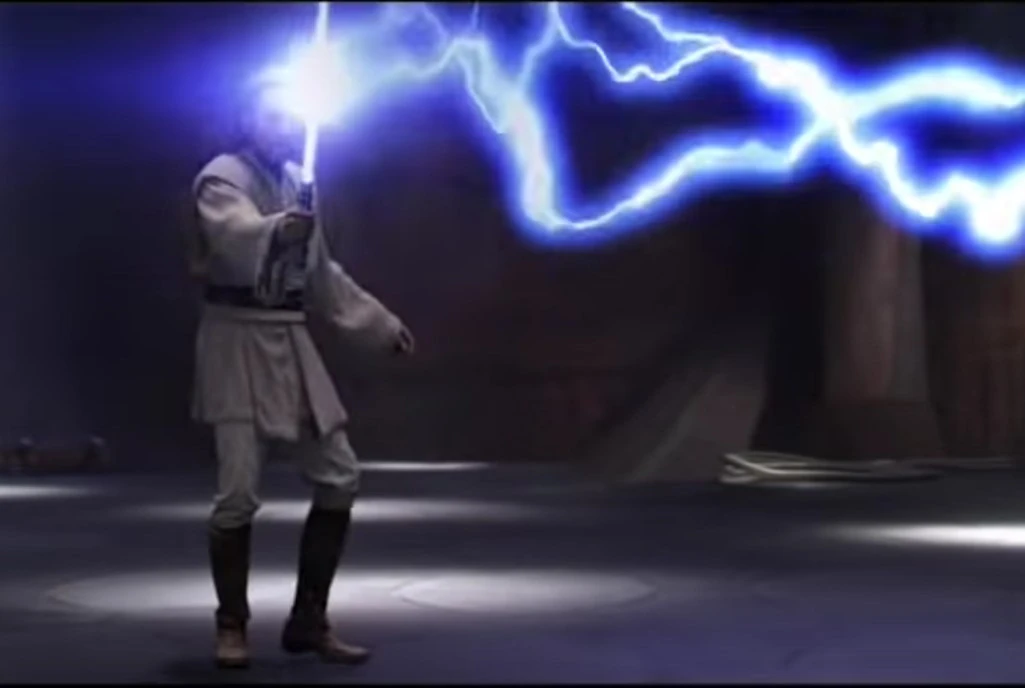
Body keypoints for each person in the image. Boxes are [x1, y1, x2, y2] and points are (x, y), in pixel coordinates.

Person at [188, 75, 415, 670]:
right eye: (271, 116)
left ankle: (309, 620)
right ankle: (231, 625)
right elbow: (232, 237)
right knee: (238, 493)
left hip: (288, 340)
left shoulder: (296, 180)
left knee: (339, 475)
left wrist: (379, 325)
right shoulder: (222, 177)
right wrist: (275, 230)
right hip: (236, 343)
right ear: (247, 119)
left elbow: (320, 273)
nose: (283, 127)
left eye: (289, 117)